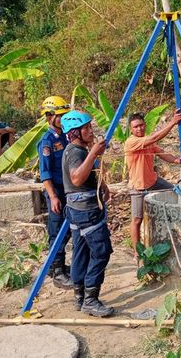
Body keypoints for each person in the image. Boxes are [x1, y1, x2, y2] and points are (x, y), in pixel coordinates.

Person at [61, 110, 114, 317]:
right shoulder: (77, 152)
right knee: (101, 252)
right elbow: (76, 179)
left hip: (76, 211)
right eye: (86, 128)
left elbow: (88, 174)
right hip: (86, 212)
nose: (91, 131)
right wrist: (93, 153)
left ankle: (80, 296)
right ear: (75, 133)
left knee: (80, 252)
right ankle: (91, 299)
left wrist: (103, 186)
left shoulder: (74, 149)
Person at [125, 109, 181, 258]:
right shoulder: (132, 142)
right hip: (138, 186)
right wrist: (172, 123)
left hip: (153, 181)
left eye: (141, 125)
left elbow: (162, 153)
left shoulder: (148, 141)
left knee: (177, 191)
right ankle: (137, 252)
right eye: (136, 127)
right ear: (131, 129)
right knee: (137, 219)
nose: (139, 128)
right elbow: (154, 138)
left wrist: (177, 160)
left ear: (145, 125)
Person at [37, 96, 73, 289]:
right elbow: (45, 173)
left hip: (69, 190)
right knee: (57, 230)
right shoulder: (47, 141)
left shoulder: (66, 136)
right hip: (56, 192)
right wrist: (53, 197)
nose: (63, 118)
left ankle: (54, 264)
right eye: (60, 116)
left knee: (68, 229)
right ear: (50, 117)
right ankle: (57, 272)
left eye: (65, 114)